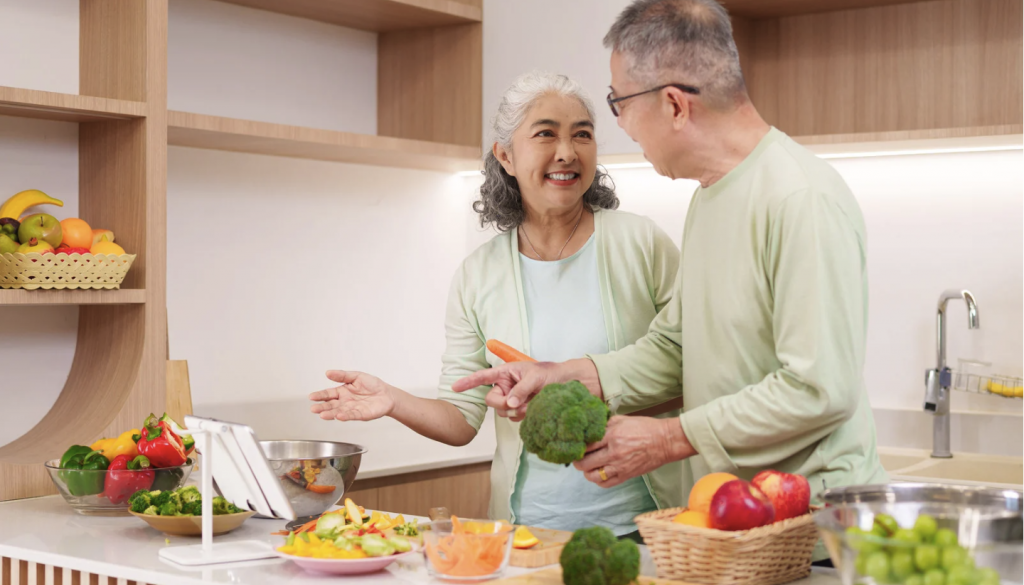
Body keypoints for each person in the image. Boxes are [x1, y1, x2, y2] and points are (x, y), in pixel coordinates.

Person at [453, 0, 888, 523]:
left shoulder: (800, 199)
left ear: (675, 105)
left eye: (619, 103)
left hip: (815, 523)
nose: (621, 126)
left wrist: (668, 437)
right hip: (732, 512)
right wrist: (566, 375)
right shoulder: (711, 197)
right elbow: (676, 346)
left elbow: (818, 390)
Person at [309, 71, 684, 537]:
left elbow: (694, 368)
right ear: (505, 156)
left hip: (650, 525)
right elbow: (461, 418)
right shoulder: (478, 275)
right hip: (527, 531)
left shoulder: (642, 243)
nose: (567, 152)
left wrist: (582, 395)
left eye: (582, 134)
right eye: (546, 133)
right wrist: (392, 400)